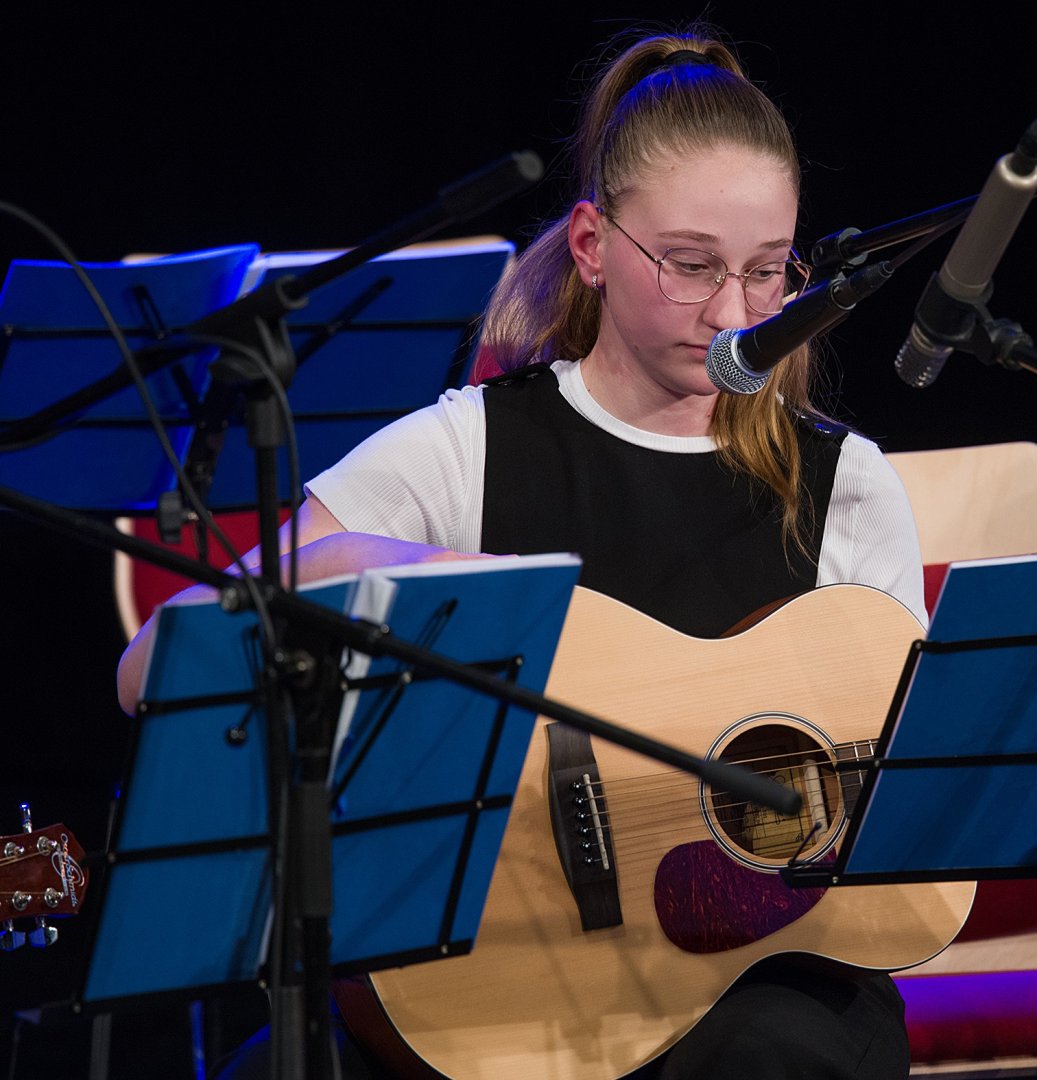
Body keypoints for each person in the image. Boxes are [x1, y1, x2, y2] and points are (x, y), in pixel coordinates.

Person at [117, 25, 924, 1080]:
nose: (734, 313)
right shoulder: (466, 450)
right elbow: (149, 671)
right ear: (591, 244)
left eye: (769, 272)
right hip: (510, 974)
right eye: (690, 266)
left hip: (764, 983)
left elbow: (911, 801)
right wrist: (343, 562)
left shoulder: (845, 483)